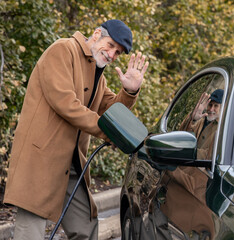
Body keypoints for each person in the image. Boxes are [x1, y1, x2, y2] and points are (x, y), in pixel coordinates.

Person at [4, 19, 149, 239]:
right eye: (110, 45)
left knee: (85, 226)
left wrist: (129, 91)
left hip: (72, 165)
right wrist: (108, 132)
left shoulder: (95, 69)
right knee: (30, 232)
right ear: (97, 33)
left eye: (117, 53)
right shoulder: (63, 50)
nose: (112, 55)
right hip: (41, 159)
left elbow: (110, 109)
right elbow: (67, 105)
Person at [180, 89, 224, 159]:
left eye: (216, 106)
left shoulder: (223, 127)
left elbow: (210, 156)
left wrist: (188, 152)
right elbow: (182, 136)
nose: (211, 109)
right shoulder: (201, 120)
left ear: (223, 108)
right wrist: (192, 118)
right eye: (210, 105)